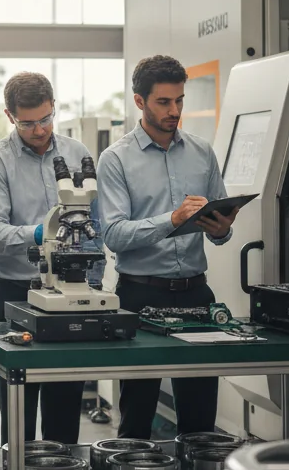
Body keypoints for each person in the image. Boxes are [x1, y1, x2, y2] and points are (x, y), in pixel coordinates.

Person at [97, 55, 239, 442]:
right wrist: (171, 221)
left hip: (196, 293)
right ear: (139, 101)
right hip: (139, 296)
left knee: (200, 420)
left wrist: (222, 229)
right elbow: (113, 233)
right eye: (164, 102)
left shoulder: (201, 152)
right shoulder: (115, 159)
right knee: (136, 421)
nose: (175, 110)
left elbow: (219, 224)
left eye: (179, 100)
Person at [0, 71, 104, 447]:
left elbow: (95, 220)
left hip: (71, 297)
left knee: (65, 413)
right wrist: (40, 233)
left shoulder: (78, 154)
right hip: (16, 294)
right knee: (17, 420)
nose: (38, 130)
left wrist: (92, 280)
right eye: (27, 123)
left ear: (54, 109)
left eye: (46, 119)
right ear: (9, 116)